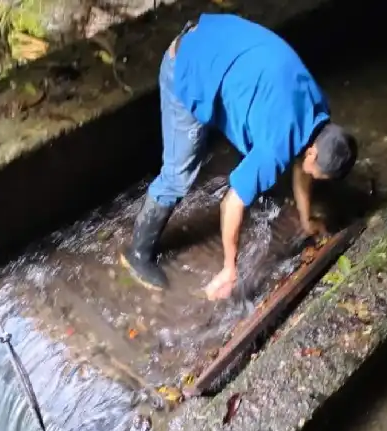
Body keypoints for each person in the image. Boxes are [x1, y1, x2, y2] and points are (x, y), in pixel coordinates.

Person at [120, 14, 358, 301]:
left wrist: (306, 220)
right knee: (179, 175)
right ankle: (137, 254)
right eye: (318, 173)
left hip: (218, 40)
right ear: (312, 151)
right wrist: (229, 268)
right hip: (185, 67)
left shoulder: (318, 110)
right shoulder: (277, 146)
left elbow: (302, 166)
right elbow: (231, 203)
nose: (313, 177)